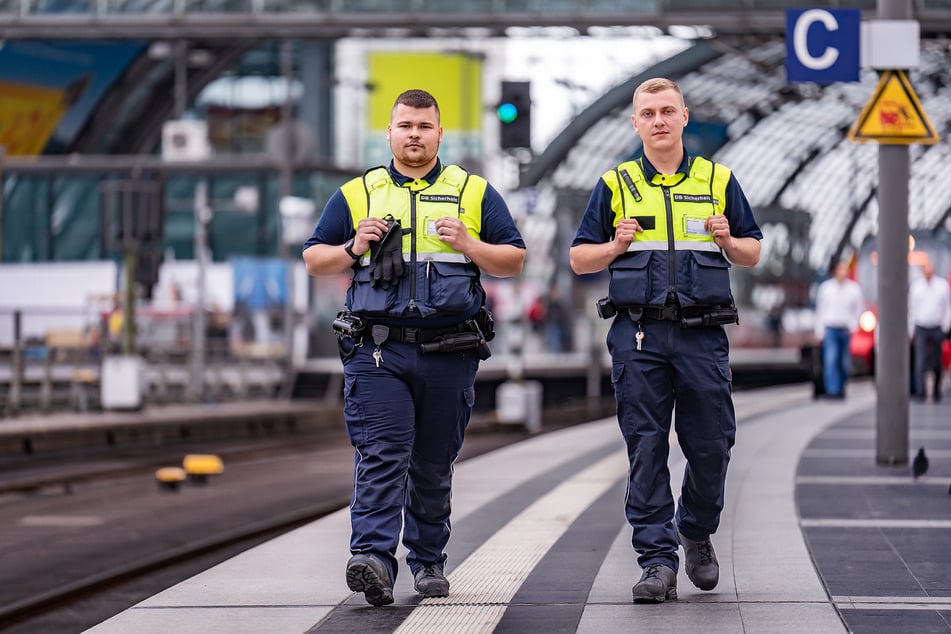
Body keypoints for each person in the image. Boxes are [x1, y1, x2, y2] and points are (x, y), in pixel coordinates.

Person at [302, 89, 526, 606]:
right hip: (378, 351)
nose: (414, 135)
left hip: (449, 351)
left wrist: (469, 244)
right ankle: (374, 558)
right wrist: (354, 246)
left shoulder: (474, 192)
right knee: (382, 455)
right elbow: (315, 260)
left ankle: (428, 561)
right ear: (390, 131)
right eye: (405, 125)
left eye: (424, 126)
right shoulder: (358, 194)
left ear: (440, 133)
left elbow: (512, 260)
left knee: (431, 462)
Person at [569, 77, 762, 604]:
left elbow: (751, 252)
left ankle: (696, 531)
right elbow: (579, 257)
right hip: (638, 335)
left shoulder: (718, 179)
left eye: (667, 111)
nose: (658, 120)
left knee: (712, 445)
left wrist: (727, 238)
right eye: (648, 113)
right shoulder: (615, 184)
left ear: (683, 117)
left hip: (702, 336)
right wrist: (614, 244)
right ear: (635, 123)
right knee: (645, 447)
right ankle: (656, 561)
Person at [813, 260, 864, 399]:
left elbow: (859, 309)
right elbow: (821, 310)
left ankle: (841, 386)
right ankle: (833, 390)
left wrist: (854, 325)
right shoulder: (826, 288)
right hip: (830, 328)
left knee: (844, 361)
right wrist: (819, 331)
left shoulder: (854, 289)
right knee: (831, 359)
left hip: (845, 329)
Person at [908, 259, 951, 401]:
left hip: (937, 326)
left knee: (937, 361)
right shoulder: (916, 287)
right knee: (920, 361)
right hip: (921, 326)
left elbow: (947, 307)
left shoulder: (942, 286)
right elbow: (912, 310)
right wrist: (911, 329)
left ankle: (937, 390)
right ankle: (921, 391)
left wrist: (945, 325)